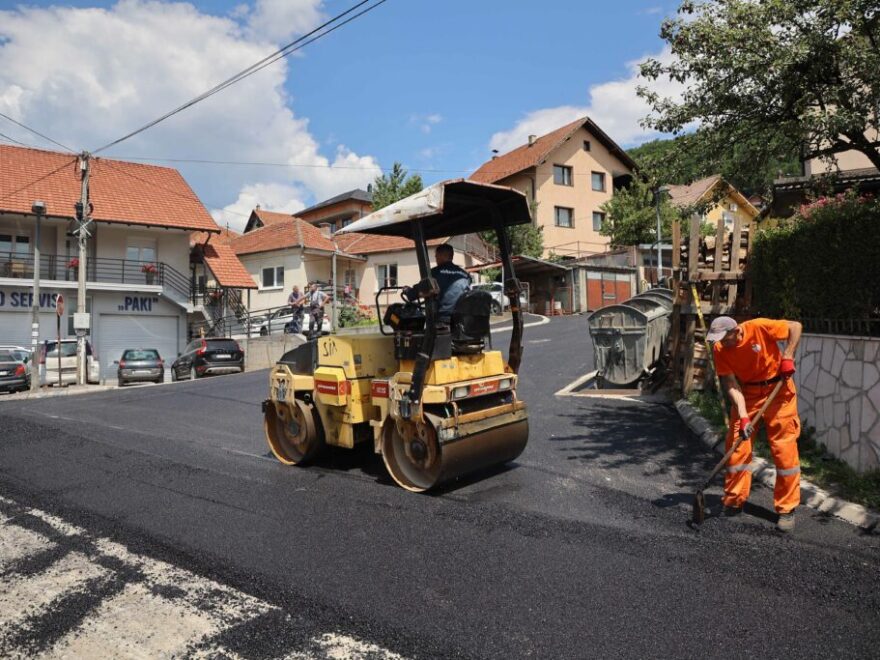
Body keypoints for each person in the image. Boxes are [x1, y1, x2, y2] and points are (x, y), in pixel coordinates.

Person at [708, 316, 803, 532]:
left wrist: (787, 356)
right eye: (718, 339)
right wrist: (743, 417)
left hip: (778, 391)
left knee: (784, 450)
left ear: (736, 330)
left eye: (725, 337)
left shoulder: (758, 327)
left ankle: (786, 509)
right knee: (737, 447)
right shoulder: (720, 349)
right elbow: (731, 383)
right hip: (749, 394)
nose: (722, 342)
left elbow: (795, 327)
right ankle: (733, 500)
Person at [427, 243, 471, 323]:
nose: (436, 258)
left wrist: (409, 292)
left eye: (436, 256)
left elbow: (422, 288)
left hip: (443, 317)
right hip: (461, 318)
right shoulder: (465, 275)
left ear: (442, 255)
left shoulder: (434, 273)